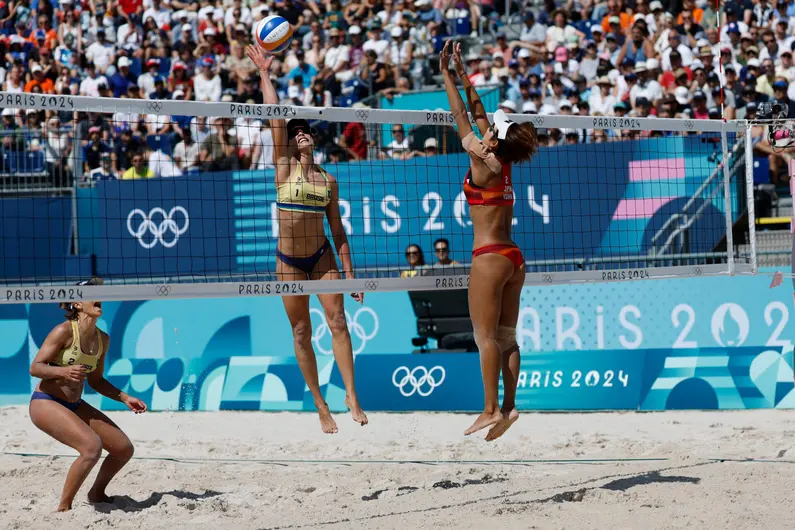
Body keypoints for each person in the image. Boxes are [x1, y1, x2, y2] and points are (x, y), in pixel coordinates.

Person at [247, 45, 367, 434]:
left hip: (322, 257)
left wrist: (349, 273)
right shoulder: (282, 168)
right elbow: (274, 119)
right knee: (301, 332)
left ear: (313, 140)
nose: (299, 134)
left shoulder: (328, 180)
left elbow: (339, 231)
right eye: (294, 131)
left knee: (338, 323)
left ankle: (351, 395)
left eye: (305, 130)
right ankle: (320, 404)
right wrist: (265, 75)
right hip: (288, 262)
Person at [441, 41, 538, 441]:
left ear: (493, 140)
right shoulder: (504, 161)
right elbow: (478, 113)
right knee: (507, 338)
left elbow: (462, 114)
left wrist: (446, 74)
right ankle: (510, 406)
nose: (486, 128)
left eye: (491, 131)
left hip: (489, 255)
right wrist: (464, 73)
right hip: (514, 257)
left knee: (484, 339)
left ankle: (489, 409)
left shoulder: (482, 160)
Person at [28, 277, 147, 512]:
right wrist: (63, 370)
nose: (99, 296)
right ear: (78, 304)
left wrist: (125, 398)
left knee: (124, 449)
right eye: (92, 292)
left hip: (74, 404)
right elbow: (35, 367)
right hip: (46, 402)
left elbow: (96, 380)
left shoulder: (103, 339)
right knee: (92, 447)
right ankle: (64, 508)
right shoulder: (63, 331)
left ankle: (96, 492)